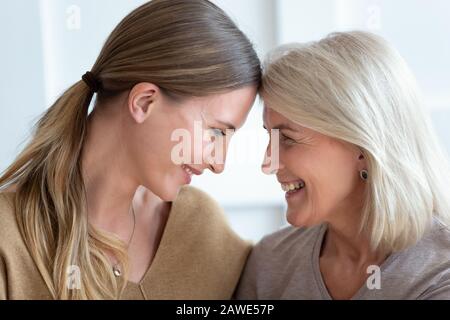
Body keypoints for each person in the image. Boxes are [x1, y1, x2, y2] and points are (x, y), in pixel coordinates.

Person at [0, 0, 260, 300]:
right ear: (144, 102)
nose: (219, 163)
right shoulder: (9, 240)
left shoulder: (202, 229)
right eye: (215, 131)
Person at [235, 31, 450, 300]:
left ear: (362, 146)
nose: (268, 163)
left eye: (287, 138)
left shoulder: (440, 272)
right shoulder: (270, 262)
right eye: (270, 136)